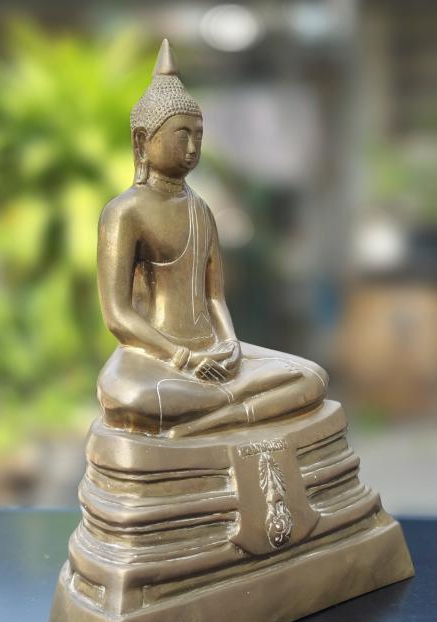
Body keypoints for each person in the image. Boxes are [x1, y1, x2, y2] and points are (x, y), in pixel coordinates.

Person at [97, 40, 327, 438]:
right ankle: (231, 410)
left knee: (312, 378)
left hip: (214, 350)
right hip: (156, 359)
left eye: (198, 136)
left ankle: (213, 419)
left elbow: (215, 297)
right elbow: (118, 315)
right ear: (142, 141)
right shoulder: (124, 212)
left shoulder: (201, 209)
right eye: (181, 135)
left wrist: (231, 345)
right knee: (134, 399)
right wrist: (183, 358)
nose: (192, 148)